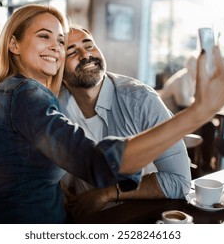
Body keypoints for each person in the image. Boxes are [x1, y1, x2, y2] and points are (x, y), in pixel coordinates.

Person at [0, 4, 224, 224]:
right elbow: (95, 162)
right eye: (45, 36)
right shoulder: (28, 95)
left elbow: (25, 167)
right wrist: (198, 112)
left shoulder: (17, 93)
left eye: (59, 40)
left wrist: (59, 191)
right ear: (13, 45)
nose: (56, 47)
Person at [58, 25, 191, 218]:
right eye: (71, 51)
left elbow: (179, 182)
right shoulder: (54, 106)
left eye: (89, 45)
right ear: (58, 68)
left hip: (139, 216)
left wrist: (107, 194)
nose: (85, 55)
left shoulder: (141, 100)